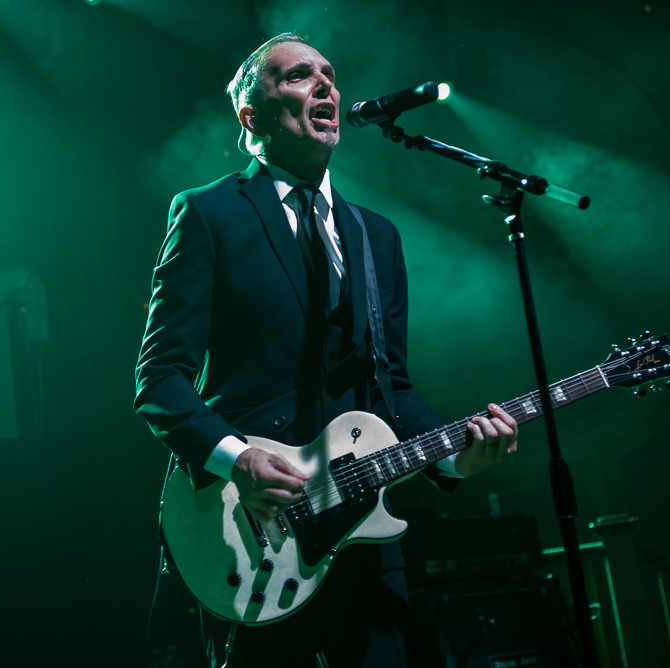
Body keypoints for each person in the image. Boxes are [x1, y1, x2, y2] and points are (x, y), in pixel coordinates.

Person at [135, 33, 518, 667]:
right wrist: (238, 462)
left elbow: (390, 386)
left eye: (329, 76)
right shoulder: (208, 214)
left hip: (365, 528)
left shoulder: (377, 236)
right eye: (297, 76)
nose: (324, 86)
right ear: (250, 116)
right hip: (254, 530)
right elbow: (160, 380)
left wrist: (454, 459)